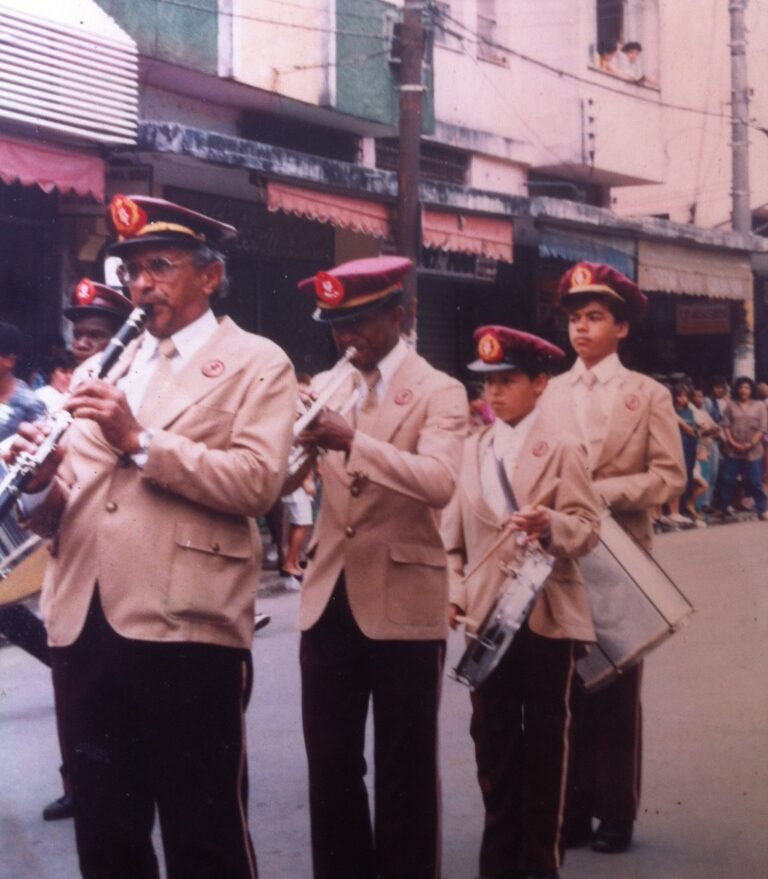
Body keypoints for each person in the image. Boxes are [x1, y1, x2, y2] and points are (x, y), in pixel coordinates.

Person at [10, 193, 296, 878]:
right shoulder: (104, 364)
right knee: (106, 835)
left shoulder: (259, 362)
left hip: (184, 621)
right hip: (86, 620)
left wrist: (139, 439)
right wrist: (40, 481)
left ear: (209, 275)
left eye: (159, 266)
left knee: (204, 833)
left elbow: (258, 483)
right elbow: (62, 506)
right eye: (131, 269)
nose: (140, 285)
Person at [289, 255, 467, 879]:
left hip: (403, 601)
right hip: (328, 593)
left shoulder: (441, 390)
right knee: (331, 765)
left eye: (360, 324)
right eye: (337, 328)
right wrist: (296, 441)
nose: (348, 340)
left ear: (400, 315)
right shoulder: (333, 383)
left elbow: (441, 481)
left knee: (404, 767)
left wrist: (352, 441)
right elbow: (282, 482)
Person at [442, 325, 600, 879]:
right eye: (487, 383)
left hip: (545, 613)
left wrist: (549, 523)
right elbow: (451, 544)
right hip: (488, 620)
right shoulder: (471, 449)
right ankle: (498, 862)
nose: (495, 394)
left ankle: (539, 863)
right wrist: (455, 596)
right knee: (493, 742)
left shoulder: (562, 448)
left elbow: (587, 528)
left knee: (545, 747)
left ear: (540, 383)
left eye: (508, 381)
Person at [539, 262, 686, 855]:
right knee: (564, 684)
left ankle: (616, 813)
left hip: (623, 556)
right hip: (561, 558)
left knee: (617, 688)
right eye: (574, 318)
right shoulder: (549, 390)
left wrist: (599, 493)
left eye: (595, 318)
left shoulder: (647, 394)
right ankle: (571, 811)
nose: (581, 329)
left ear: (621, 328)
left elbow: (669, 476)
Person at [718, 376, 767, 520]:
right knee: (728, 480)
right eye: (740, 387)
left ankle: (762, 509)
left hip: (753, 450)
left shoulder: (760, 406)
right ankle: (723, 508)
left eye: (746, 387)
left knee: (755, 481)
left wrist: (751, 444)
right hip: (733, 450)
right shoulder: (731, 405)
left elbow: (762, 428)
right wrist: (733, 443)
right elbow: (726, 425)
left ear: (752, 390)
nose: (743, 390)